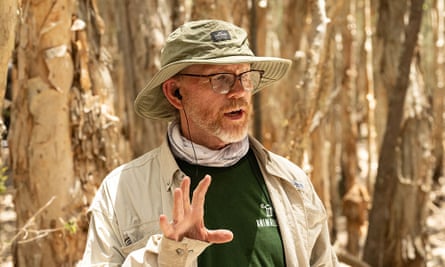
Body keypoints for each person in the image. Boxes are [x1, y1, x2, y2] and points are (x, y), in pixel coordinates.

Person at [81, 19, 339, 267]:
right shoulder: (122, 192)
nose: (239, 91)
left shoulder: (291, 183)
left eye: (245, 77)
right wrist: (171, 255)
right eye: (221, 79)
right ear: (175, 93)